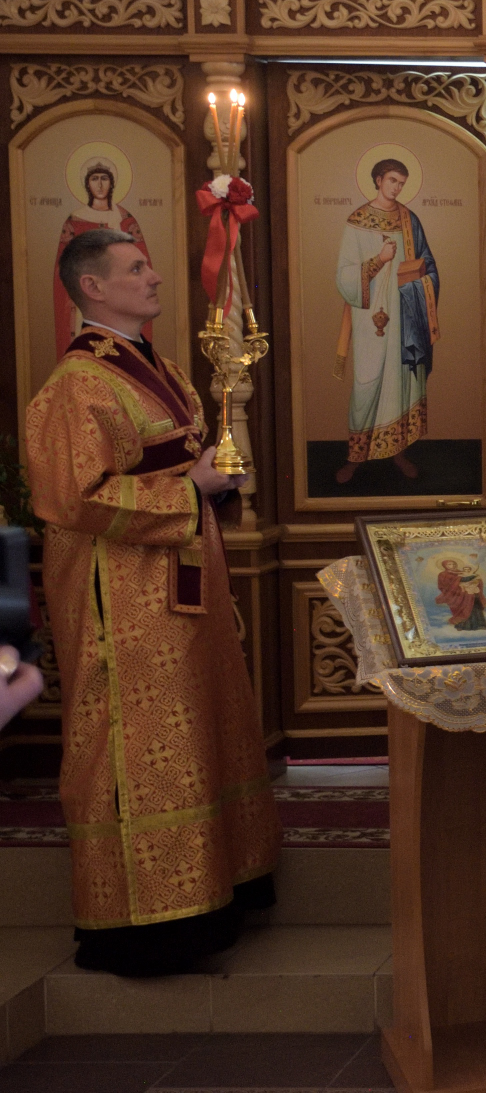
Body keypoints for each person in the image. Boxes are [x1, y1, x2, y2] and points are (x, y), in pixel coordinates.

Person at [25, 229, 280, 977]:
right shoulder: (75, 385)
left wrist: (217, 480)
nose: (155, 276)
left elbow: (186, 456)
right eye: (136, 268)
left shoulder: (157, 367)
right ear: (93, 286)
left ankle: (216, 890)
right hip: (121, 596)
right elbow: (73, 496)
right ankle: (144, 924)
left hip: (178, 581)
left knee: (198, 729)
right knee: (134, 743)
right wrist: (191, 487)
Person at [334, 157, 439, 484]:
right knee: (366, 384)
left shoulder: (409, 219)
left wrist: (420, 280)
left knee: (401, 384)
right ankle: (355, 457)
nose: (397, 188)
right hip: (370, 318)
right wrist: (378, 261)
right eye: (392, 180)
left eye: (401, 183)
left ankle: (398, 453)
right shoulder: (357, 220)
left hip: (405, 318)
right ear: (379, 180)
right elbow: (344, 276)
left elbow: (429, 264)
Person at [53, 158, 150, 346]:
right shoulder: (75, 220)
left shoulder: (124, 219)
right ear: (87, 184)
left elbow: (141, 262)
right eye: (94, 179)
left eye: (104, 178)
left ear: (111, 183)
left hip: (121, 297)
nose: (99, 184)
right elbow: (64, 268)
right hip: (87, 297)